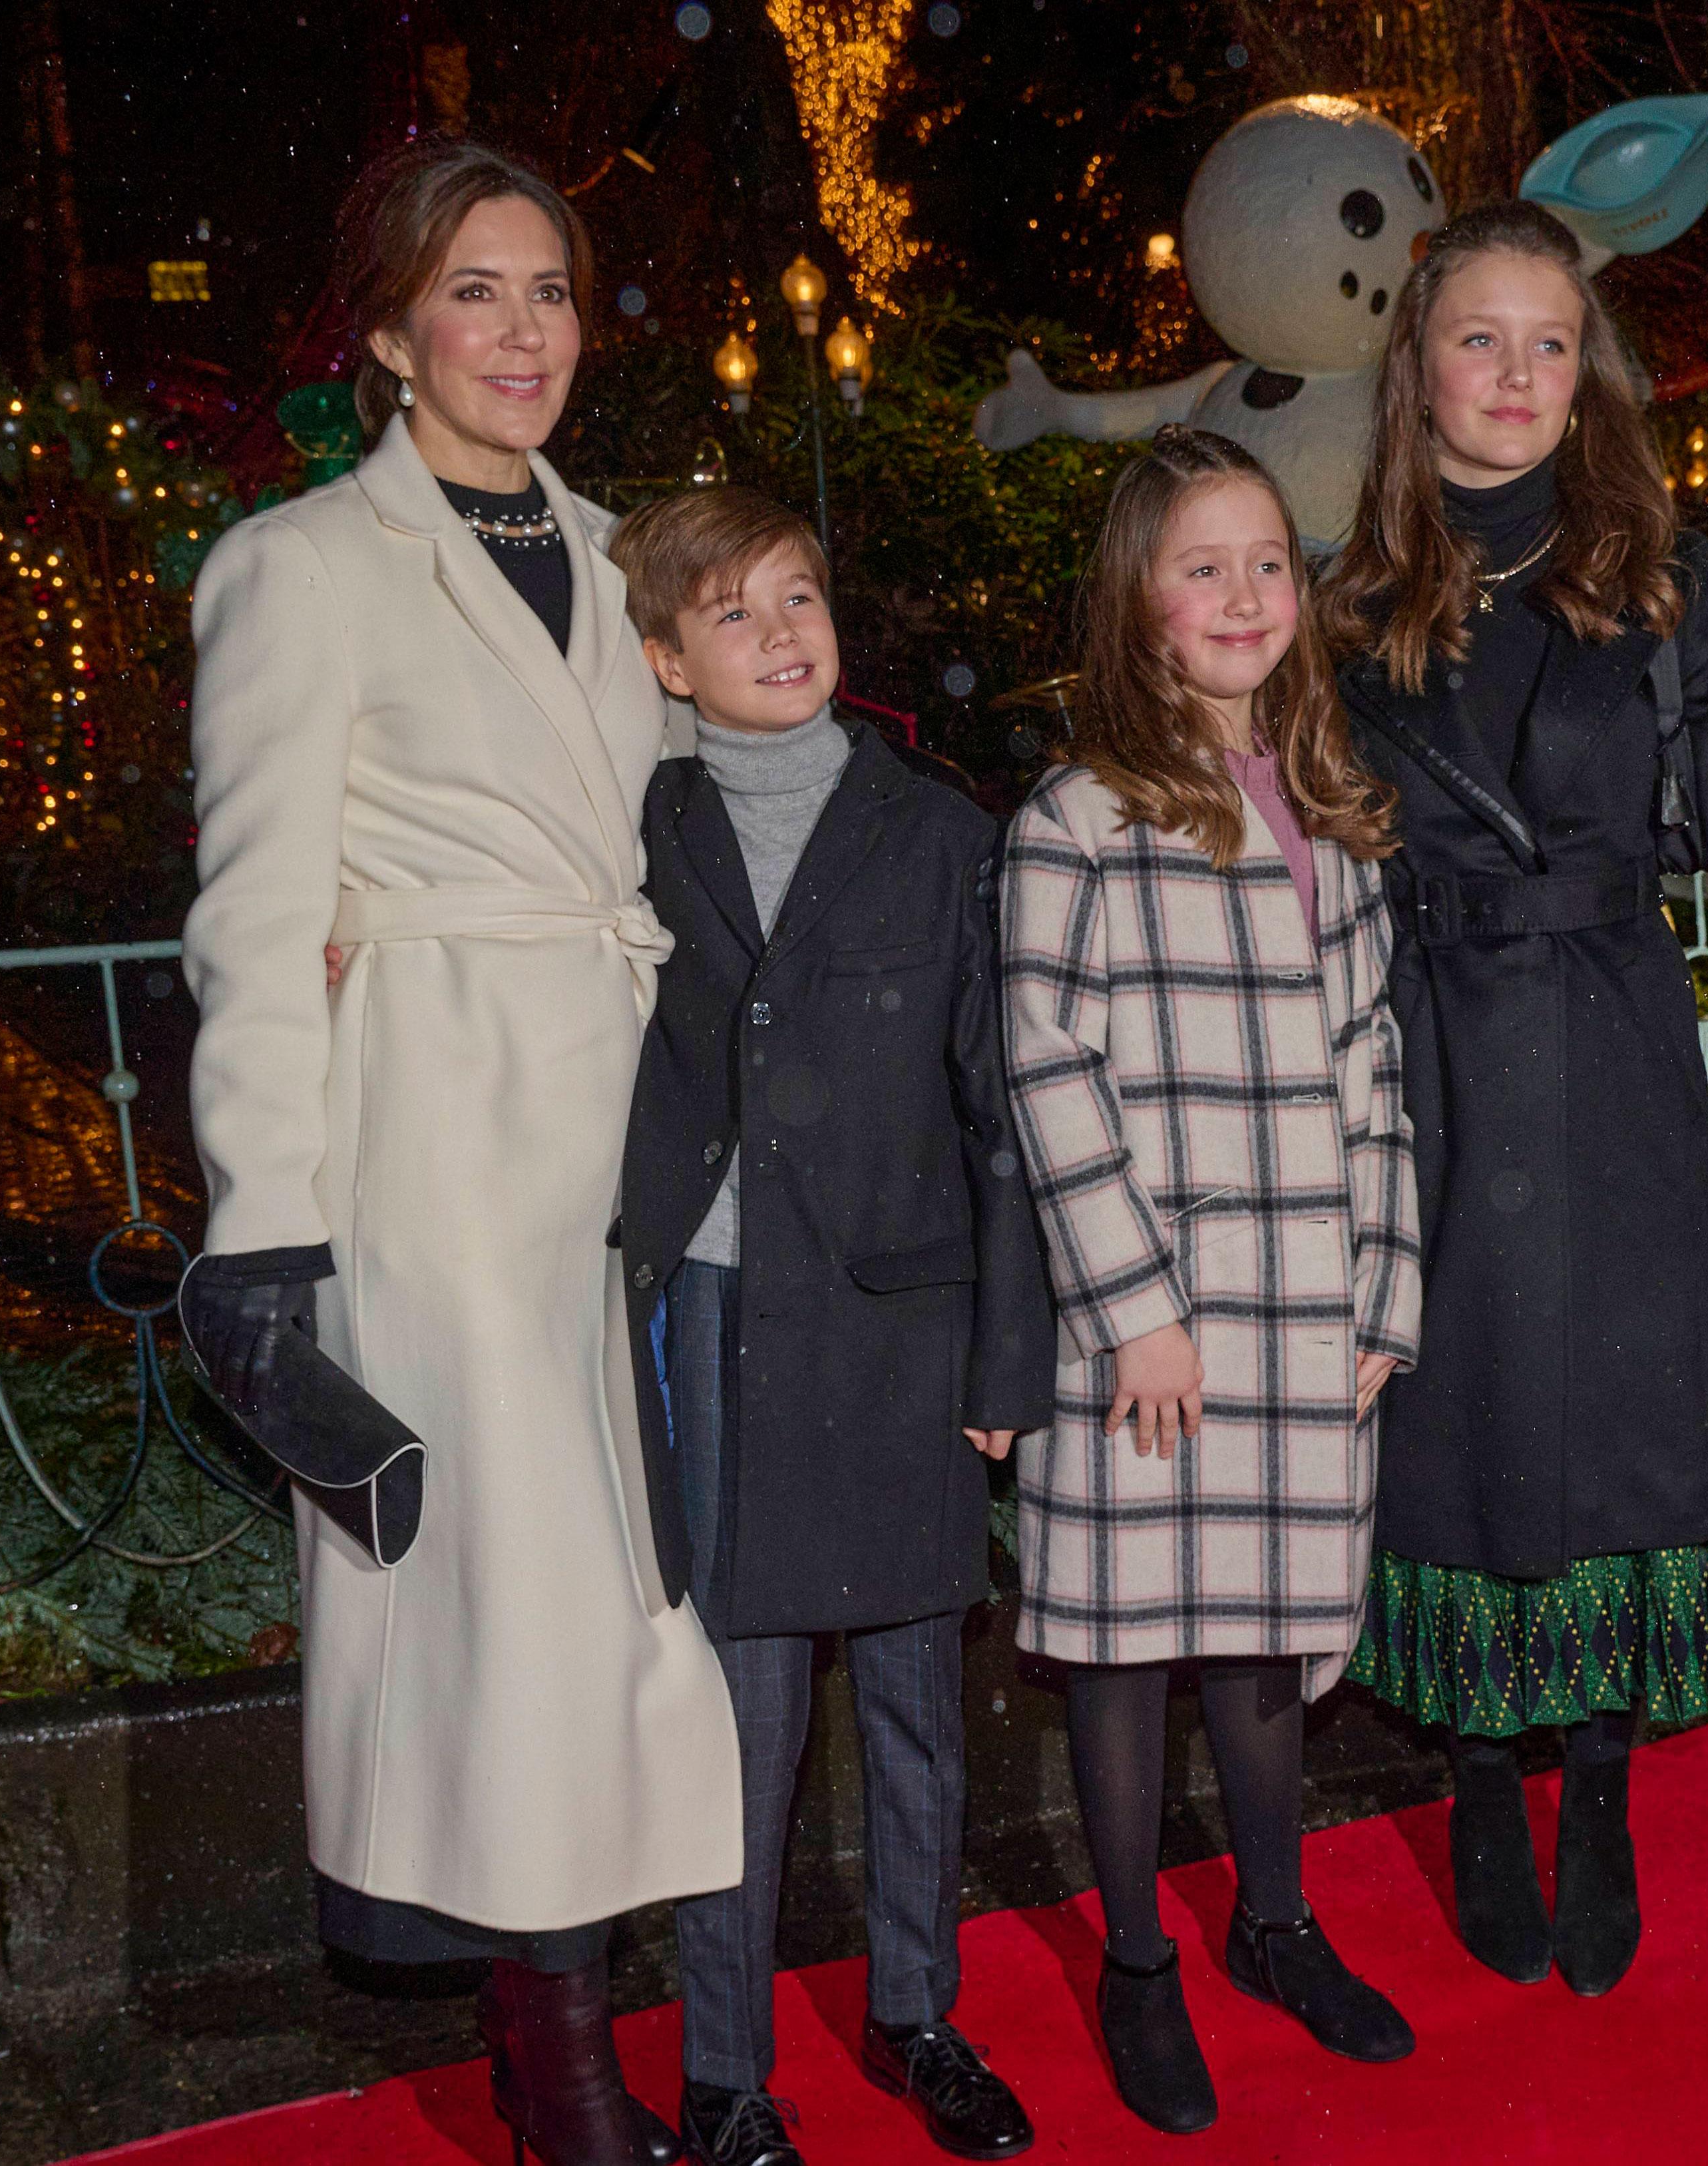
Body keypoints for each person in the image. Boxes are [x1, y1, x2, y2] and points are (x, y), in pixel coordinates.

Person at [179, 138, 738, 2166]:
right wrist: (262, 1232)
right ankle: (567, 2054)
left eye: (554, 292)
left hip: (626, 1131)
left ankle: (559, 2025)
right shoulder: (300, 564)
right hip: (432, 1136)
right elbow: (249, 921)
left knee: (635, 1594)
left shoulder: (624, 553)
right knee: (515, 1610)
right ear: (396, 328)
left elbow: (708, 796)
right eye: (478, 291)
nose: (524, 332)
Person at [1315, 201, 1708, 2001]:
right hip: (1432, 1059)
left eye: (1553, 343)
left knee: (1625, 1423)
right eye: (1482, 338)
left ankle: (1601, 1783)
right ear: (1420, 365)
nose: (1520, 377)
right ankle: (1482, 1769)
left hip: (1619, 1045)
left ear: (1591, 371)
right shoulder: (1348, 599)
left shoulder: (1659, 577)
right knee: (1457, 1430)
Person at [608, 485, 1051, 2166]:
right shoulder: (633, 827)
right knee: (739, 1716)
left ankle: (918, 2013)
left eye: (798, 594)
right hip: (718, 1322)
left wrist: (1012, 1355)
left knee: (918, 1709)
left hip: (899, 1326)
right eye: (731, 611)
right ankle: (723, 2075)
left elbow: (998, 1108)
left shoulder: (939, 833)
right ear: (664, 656)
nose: (782, 631)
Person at [999, 426, 1423, 2135]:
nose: (1241, 594)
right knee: (1121, 1654)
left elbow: (1372, 1063)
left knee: (1257, 1641)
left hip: (1304, 1304)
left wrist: (1382, 1296)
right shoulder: (1076, 817)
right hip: (1150, 1327)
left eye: (1265, 562)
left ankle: (1270, 1922)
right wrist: (1134, 1307)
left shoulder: (1328, 803)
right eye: (1200, 566)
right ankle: (1132, 1962)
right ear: (1137, 604)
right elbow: (1044, 1070)